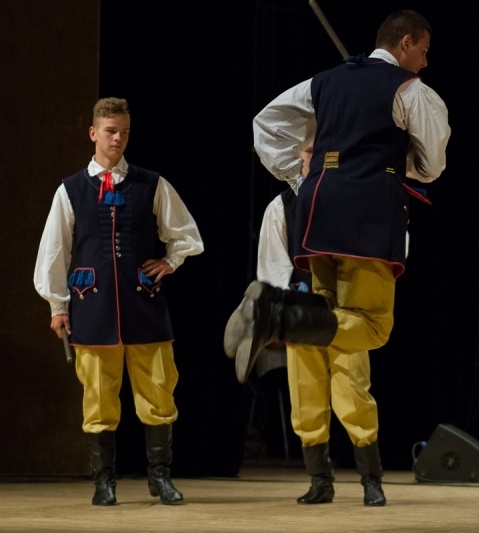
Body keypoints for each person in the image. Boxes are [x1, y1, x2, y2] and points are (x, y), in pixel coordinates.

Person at [224, 9, 450, 505]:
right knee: (372, 327)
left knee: (325, 326)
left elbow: (266, 123)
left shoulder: (322, 82)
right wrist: (393, 161)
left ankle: (281, 319)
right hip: (367, 216)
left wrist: (299, 178)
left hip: (318, 211)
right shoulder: (409, 90)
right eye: (425, 51)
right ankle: (278, 318)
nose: (427, 62)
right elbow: (432, 167)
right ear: (407, 42)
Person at [33, 97, 204, 506]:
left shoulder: (150, 183)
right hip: (92, 309)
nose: (118, 139)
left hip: (144, 307)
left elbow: (186, 234)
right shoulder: (71, 189)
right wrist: (58, 307)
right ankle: (103, 481)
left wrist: (170, 260)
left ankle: (159, 478)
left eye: (125, 132)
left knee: (160, 394)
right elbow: (53, 251)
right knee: (97, 398)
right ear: (93, 133)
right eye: (111, 131)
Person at [254, 140, 387, 506]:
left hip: (346, 312)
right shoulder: (282, 206)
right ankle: (319, 479)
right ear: (299, 153)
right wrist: (285, 312)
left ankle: (371, 479)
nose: (317, 155)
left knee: (353, 390)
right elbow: (273, 266)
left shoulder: (353, 197)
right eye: (311, 149)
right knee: (305, 394)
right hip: (303, 312)